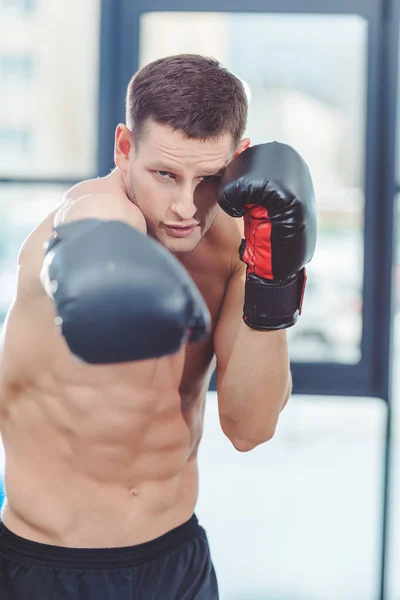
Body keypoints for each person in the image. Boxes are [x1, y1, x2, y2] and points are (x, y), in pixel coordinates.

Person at [0, 54, 317, 599]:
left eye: (209, 179)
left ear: (238, 162)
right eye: (164, 174)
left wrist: (273, 279)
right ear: (125, 149)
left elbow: (250, 428)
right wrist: (97, 262)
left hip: (177, 562)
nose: (184, 207)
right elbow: (91, 222)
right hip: (53, 569)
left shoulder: (237, 247)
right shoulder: (94, 216)